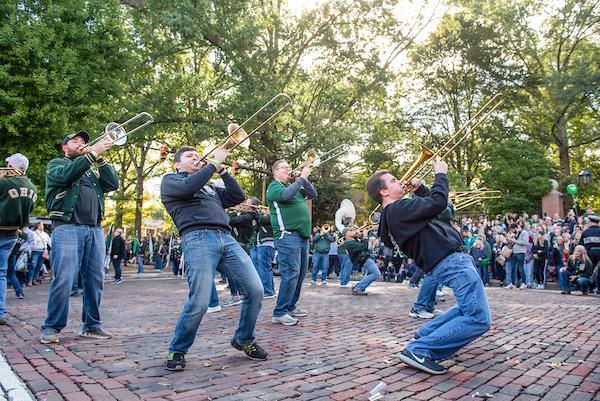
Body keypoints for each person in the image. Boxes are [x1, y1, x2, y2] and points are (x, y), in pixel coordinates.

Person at [366, 156, 491, 375]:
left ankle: (426, 333)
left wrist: (422, 188)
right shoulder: (397, 209)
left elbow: (444, 213)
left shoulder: (401, 211)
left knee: (466, 307)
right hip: (451, 261)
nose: (400, 181)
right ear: (384, 192)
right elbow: (438, 202)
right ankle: (420, 349)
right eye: (394, 180)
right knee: (478, 318)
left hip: (452, 260)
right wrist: (440, 174)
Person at [160, 147, 266, 371]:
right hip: (197, 237)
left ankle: (243, 339)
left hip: (226, 238)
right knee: (199, 300)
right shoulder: (171, 181)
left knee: (256, 290)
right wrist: (212, 165)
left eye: (197, 155)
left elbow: (237, 197)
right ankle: (177, 349)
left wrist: (224, 171)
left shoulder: (209, 186)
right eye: (190, 156)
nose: (196, 158)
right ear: (177, 164)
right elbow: (189, 185)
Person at [40, 131, 118, 343]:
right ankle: (51, 327)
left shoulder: (91, 171)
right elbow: (66, 176)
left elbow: (113, 184)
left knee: (95, 279)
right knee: (64, 278)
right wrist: (91, 155)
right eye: (75, 141)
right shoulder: (57, 163)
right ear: (65, 147)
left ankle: (92, 326)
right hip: (67, 227)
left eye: (84, 141)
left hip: (94, 228)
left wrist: (100, 158)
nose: (82, 143)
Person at [267, 160, 317, 326]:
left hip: (302, 237)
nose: (289, 170)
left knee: (300, 274)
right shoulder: (275, 187)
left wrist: (304, 179)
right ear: (275, 172)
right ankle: (279, 312)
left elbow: (312, 194)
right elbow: (285, 195)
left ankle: (290, 306)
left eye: (290, 168)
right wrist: (301, 177)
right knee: (291, 274)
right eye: (285, 168)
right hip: (287, 236)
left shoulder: (294, 188)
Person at [0, 154, 38, 324]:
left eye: (7, 164)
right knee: (1, 272)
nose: (5, 165)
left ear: (13, 166)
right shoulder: (32, 187)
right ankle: (0, 312)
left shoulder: (4, 183)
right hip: (13, 233)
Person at [343, 228, 381, 295]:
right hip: (363, 260)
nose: (354, 231)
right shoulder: (348, 243)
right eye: (351, 230)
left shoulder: (354, 240)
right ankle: (358, 288)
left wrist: (361, 236)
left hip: (366, 258)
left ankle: (358, 287)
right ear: (346, 234)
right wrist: (365, 236)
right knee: (376, 274)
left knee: (376, 273)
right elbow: (363, 246)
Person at [579, 215, 600, 294]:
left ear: (591, 222)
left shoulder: (585, 232)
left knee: (589, 271)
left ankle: (590, 288)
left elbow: (580, 245)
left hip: (589, 254)